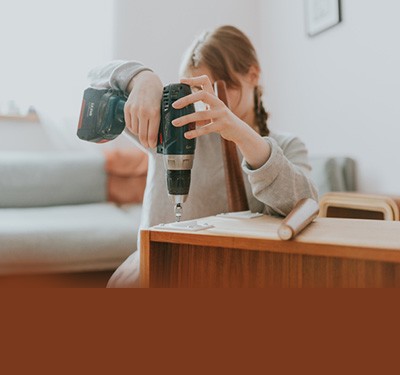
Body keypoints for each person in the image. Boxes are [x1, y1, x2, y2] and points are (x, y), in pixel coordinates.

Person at [88, 25, 318, 287]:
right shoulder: (180, 127)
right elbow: (93, 79)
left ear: (253, 75)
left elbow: (306, 204)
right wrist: (141, 78)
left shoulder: (286, 145)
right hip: (162, 272)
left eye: (219, 89)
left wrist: (242, 135)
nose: (208, 105)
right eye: (198, 94)